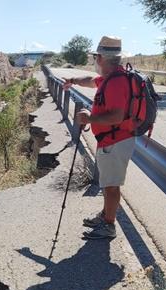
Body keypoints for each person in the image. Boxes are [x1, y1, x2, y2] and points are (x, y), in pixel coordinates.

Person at [63, 36, 134, 240]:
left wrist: (90, 117)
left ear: (101, 57)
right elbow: (91, 82)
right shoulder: (110, 78)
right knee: (108, 183)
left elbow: (117, 116)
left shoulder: (117, 82)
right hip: (111, 140)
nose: (95, 60)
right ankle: (105, 216)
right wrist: (73, 81)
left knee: (111, 187)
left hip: (116, 141)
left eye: (96, 57)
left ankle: (109, 225)